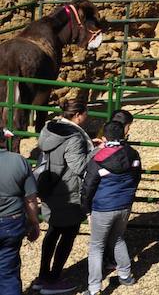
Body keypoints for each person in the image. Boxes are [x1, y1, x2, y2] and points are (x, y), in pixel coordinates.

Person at [35, 99, 92, 295]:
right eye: (86, 113)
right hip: (67, 191)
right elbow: (79, 166)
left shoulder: (49, 129)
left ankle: (42, 276)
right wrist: (97, 152)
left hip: (49, 188)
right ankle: (54, 279)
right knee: (68, 235)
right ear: (78, 115)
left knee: (52, 232)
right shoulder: (74, 137)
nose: (88, 116)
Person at [80, 115, 141, 295]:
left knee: (97, 246)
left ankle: (94, 288)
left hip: (102, 207)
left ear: (104, 138)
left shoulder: (98, 158)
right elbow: (137, 177)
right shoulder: (133, 154)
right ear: (124, 134)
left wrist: (86, 209)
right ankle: (125, 274)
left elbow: (88, 187)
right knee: (118, 238)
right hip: (125, 204)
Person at [0, 128, 40, 295]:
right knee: (8, 272)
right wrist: (34, 222)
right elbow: (30, 199)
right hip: (12, 222)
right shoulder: (19, 161)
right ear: (3, 139)